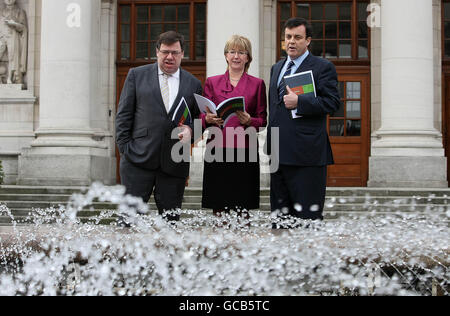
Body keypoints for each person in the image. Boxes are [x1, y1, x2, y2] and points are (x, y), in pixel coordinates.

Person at [116, 31, 202, 223]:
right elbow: (123, 116)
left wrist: (192, 131)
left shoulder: (193, 83)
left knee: (170, 224)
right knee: (128, 223)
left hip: (174, 164)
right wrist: (125, 150)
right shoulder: (136, 76)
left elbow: (199, 119)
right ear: (157, 52)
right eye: (165, 52)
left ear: (182, 54)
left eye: (175, 52)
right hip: (137, 162)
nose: (169, 57)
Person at [266, 18, 340, 228]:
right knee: (280, 219)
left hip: (307, 156)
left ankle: (309, 262)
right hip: (279, 153)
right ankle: (283, 260)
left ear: (307, 41)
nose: (291, 42)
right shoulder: (277, 68)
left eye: (297, 37)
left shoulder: (322, 67)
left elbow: (333, 103)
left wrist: (300, 102)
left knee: (307, 219)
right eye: (288, 37)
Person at [201, 35, 267, 222]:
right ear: (226, 56)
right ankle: (220, 246)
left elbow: (263, 120)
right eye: (232, 52)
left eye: (241, 52)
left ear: (248, 57)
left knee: (243, 205)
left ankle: (242, 245)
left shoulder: (257, 84)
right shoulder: (212, 82)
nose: (236, 56)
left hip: (245, 150)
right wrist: (208, 118)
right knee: (218, 204)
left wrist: (249, 120)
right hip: (217, 148)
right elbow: (202, 114)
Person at [0, 0, 27, 84]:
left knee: (12, 57)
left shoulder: (20, 12)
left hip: (13, 37)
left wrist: (14, 24)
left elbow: (23, 28)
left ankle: (10, 78)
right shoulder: (1, 11)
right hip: (2, 37)